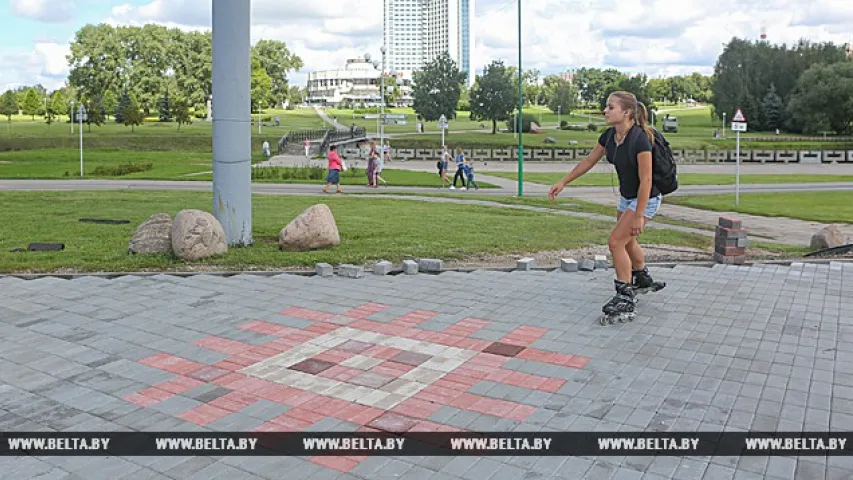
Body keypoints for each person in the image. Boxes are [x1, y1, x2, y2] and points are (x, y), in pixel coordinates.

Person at [548, 90, 665, 324]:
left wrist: (639, 215)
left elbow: (647, 180)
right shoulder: (610, 136)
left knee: (615, 242)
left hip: (646, 198)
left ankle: (624, 294)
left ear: (627, 112)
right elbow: (589, 161)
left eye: (611, 107)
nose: (605, 110)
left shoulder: (640, 139)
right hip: (627, 198)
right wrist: (564, 181)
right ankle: (641, 277)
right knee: (627, 241)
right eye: (606, 106)